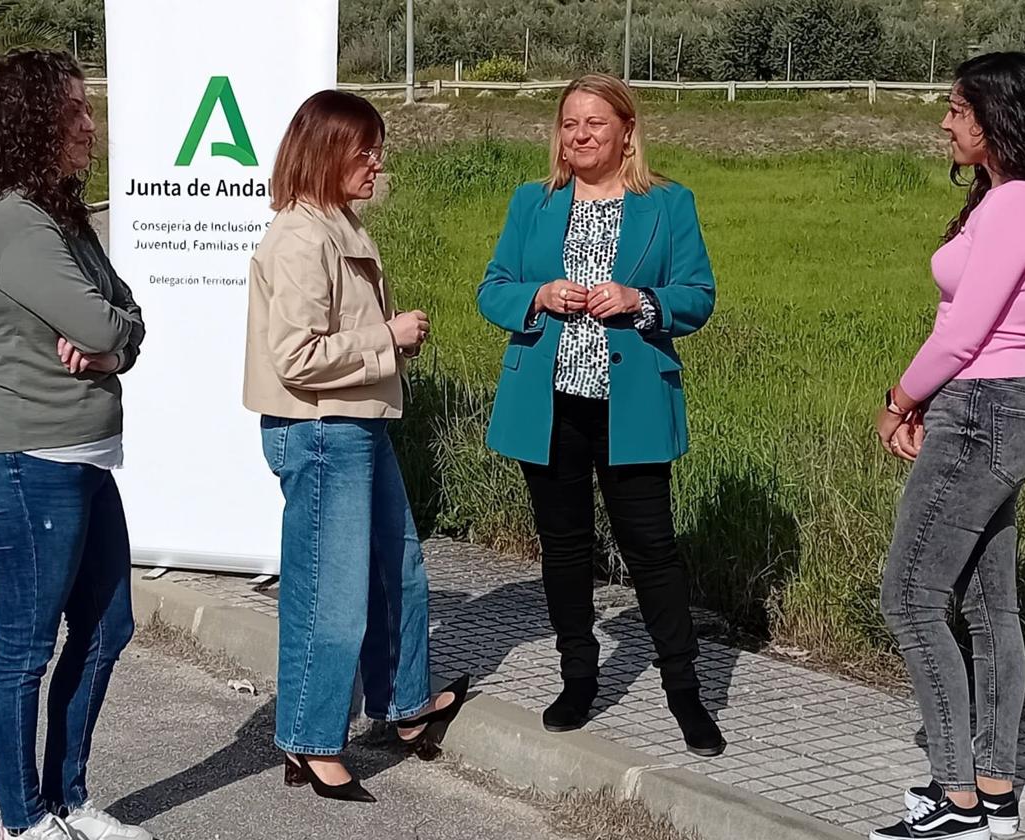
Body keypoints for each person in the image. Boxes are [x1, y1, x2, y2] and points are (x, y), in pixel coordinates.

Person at [872, 53, 1025, 840]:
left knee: (909, 595)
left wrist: (901, 398)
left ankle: (957, 800)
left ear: (996, 117)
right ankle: (992, 788)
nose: (945, 122)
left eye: (958, 109)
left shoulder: (1012, 207)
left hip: (985, 407)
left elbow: (965, 331)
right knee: (986, 600)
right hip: (1000, 403)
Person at [476, 74, 723, 756]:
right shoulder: (534, 202)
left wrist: (640, 303)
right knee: (564, 548)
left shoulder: (668, 203)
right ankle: (578, 677)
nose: (579, 135)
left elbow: (698, 296)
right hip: (547, 401)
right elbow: (491, 288)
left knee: (653, 549)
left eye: (594, 123)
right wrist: (539, 294)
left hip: (632, 403)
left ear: (625, 132)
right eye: (569, 124)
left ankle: (685, 691)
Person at [0, 51, 149, 840]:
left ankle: (67, 800)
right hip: (25, 463)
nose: (89, 123)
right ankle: (22, 824)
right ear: (30, 121)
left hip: (81, 459)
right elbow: (102, 323)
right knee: (25, 647)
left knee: (109, 626)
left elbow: (123, 317)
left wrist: (117, 342)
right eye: (74, 110)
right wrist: (113, 334)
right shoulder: (11, 222)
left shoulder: (57, 213)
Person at [243, 89, 469, 803]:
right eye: (364, 150)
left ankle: (402, 706)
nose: (378, 163)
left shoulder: (331, 223)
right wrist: (388, 338)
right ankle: (310, 742)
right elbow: (296, 355)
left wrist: (384, 347)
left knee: (396, 570)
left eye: (379, 149)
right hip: (319, 431)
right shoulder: (300, 237)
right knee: (330, 595)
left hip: (351, 424)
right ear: (325, 153)